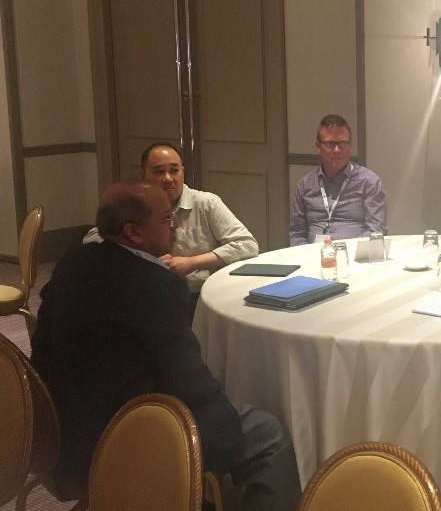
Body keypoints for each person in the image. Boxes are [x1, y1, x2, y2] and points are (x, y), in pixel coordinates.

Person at [32, 181, 302, 510]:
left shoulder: (75, 260)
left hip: (52, 431)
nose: (174, 225)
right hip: (120, 438)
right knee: (269, 434)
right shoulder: (154, 285)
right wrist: (225, 434)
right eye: (166, 219)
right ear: (133, 232)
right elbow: (189, 382)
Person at [85, 142, 258, 321]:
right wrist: (141, 259)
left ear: (183, 171)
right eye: (159, 172)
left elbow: (247, 245)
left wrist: (192, 263)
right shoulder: (135, 205)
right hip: (148, 293)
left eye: (174, 170)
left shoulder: (206, 203)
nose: (167, 178)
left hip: (201, 292)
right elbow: (94, 238)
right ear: (143, 176)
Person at [289, 114, 387, 245]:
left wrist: (345, 251)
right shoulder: (304, 185)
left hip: (356, 258)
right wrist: (307, 258)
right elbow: (297, 233)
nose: (336, 150)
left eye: (342, 143)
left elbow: (376, 231)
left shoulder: (369, 182)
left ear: (350, 146)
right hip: (313, 258)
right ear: (318, 146)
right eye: (330, 144)